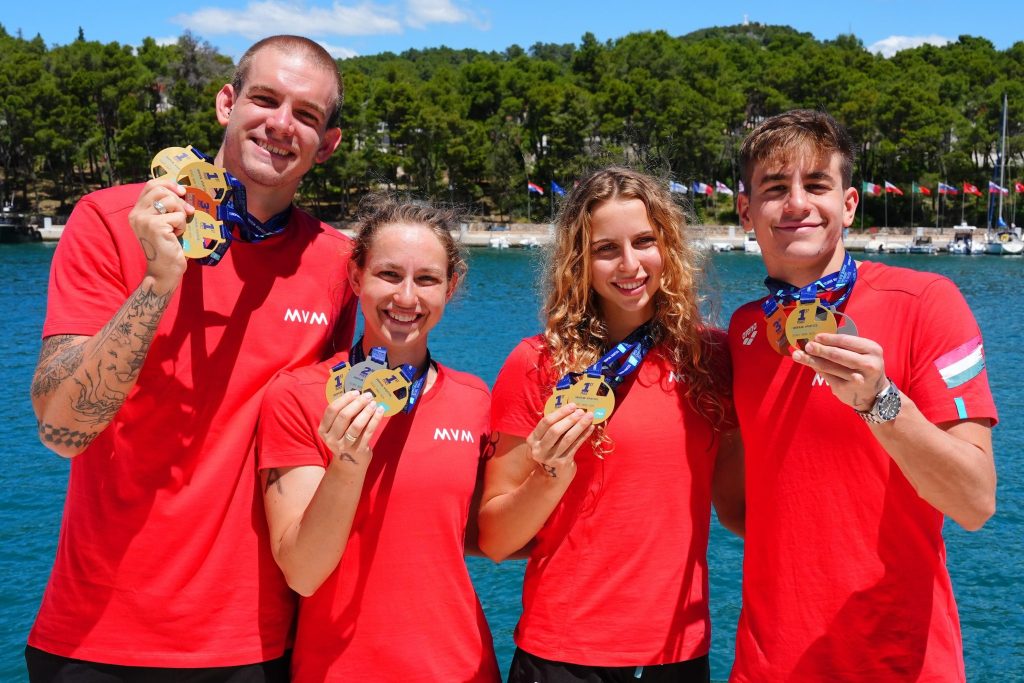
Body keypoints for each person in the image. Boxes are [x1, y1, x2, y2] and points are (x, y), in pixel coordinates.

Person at [27, 35, 357, 681]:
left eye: (306, 114)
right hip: (97, 639)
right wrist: (157, 283)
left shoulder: (336, 266)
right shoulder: (108, 220)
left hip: (254, 642)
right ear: (226, 103)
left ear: (328, 144)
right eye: (264, 99)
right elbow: (62, 429)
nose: (281, 124)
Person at [728, 109, 997, 682]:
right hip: (767, 667)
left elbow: (975, 502)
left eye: (816, 184)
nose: (796, 203)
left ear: (848, 204)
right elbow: (739, 505)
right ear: (745, 210)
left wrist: (881, 402)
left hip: (901, 664)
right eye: (774, 188)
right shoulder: (743, 331)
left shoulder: (927, 303)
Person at [479, 166, 742, 682]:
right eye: (606, 249)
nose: (630, 264)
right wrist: (549, 473)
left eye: (644, 241)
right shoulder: (537, 364)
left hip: (677, 651)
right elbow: (495, 540)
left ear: (669, 247)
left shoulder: (711, 357)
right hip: (564, 653)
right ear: (579, 261)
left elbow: (740, 508)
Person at [256, 196, 500, 682]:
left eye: (426, 279)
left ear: (450, 287)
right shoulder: (298, 395)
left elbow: (483, 533)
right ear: (355, 278)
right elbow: (303, 572)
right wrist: (347, 464)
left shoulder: (473, 398)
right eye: (389, 275)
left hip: (462, 667)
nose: (406, 297)